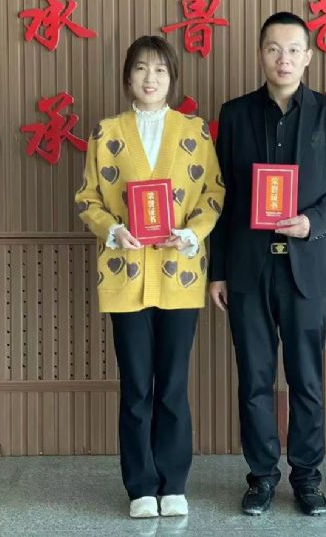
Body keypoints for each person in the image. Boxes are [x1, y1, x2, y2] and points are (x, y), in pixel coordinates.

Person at [208, 12, 326, 517]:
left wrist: (313, 221)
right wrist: (218, 270)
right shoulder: (234, 115)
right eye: (273, 48)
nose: (283, 58)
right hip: (248, 269)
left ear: (308, 57)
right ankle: (261, 477)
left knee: (306, 379)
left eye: (293, 49)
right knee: (254, 378)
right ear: (260, 54)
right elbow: (222, 196)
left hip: (305, 269)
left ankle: (308, 477)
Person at [75, 35, 224, 519]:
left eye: (160, 69)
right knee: (137, 385)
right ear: (127, 77)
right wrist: (112, 230)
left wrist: (192, 233)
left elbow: (214, 193)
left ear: (172, 78)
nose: (150, 78)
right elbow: (88, 198)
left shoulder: (194, 131)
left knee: (174, 384)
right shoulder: (107, 133)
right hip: (127, 275)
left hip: (180, 276)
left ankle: (173, 482)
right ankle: (140, 485)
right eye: (141, 68)